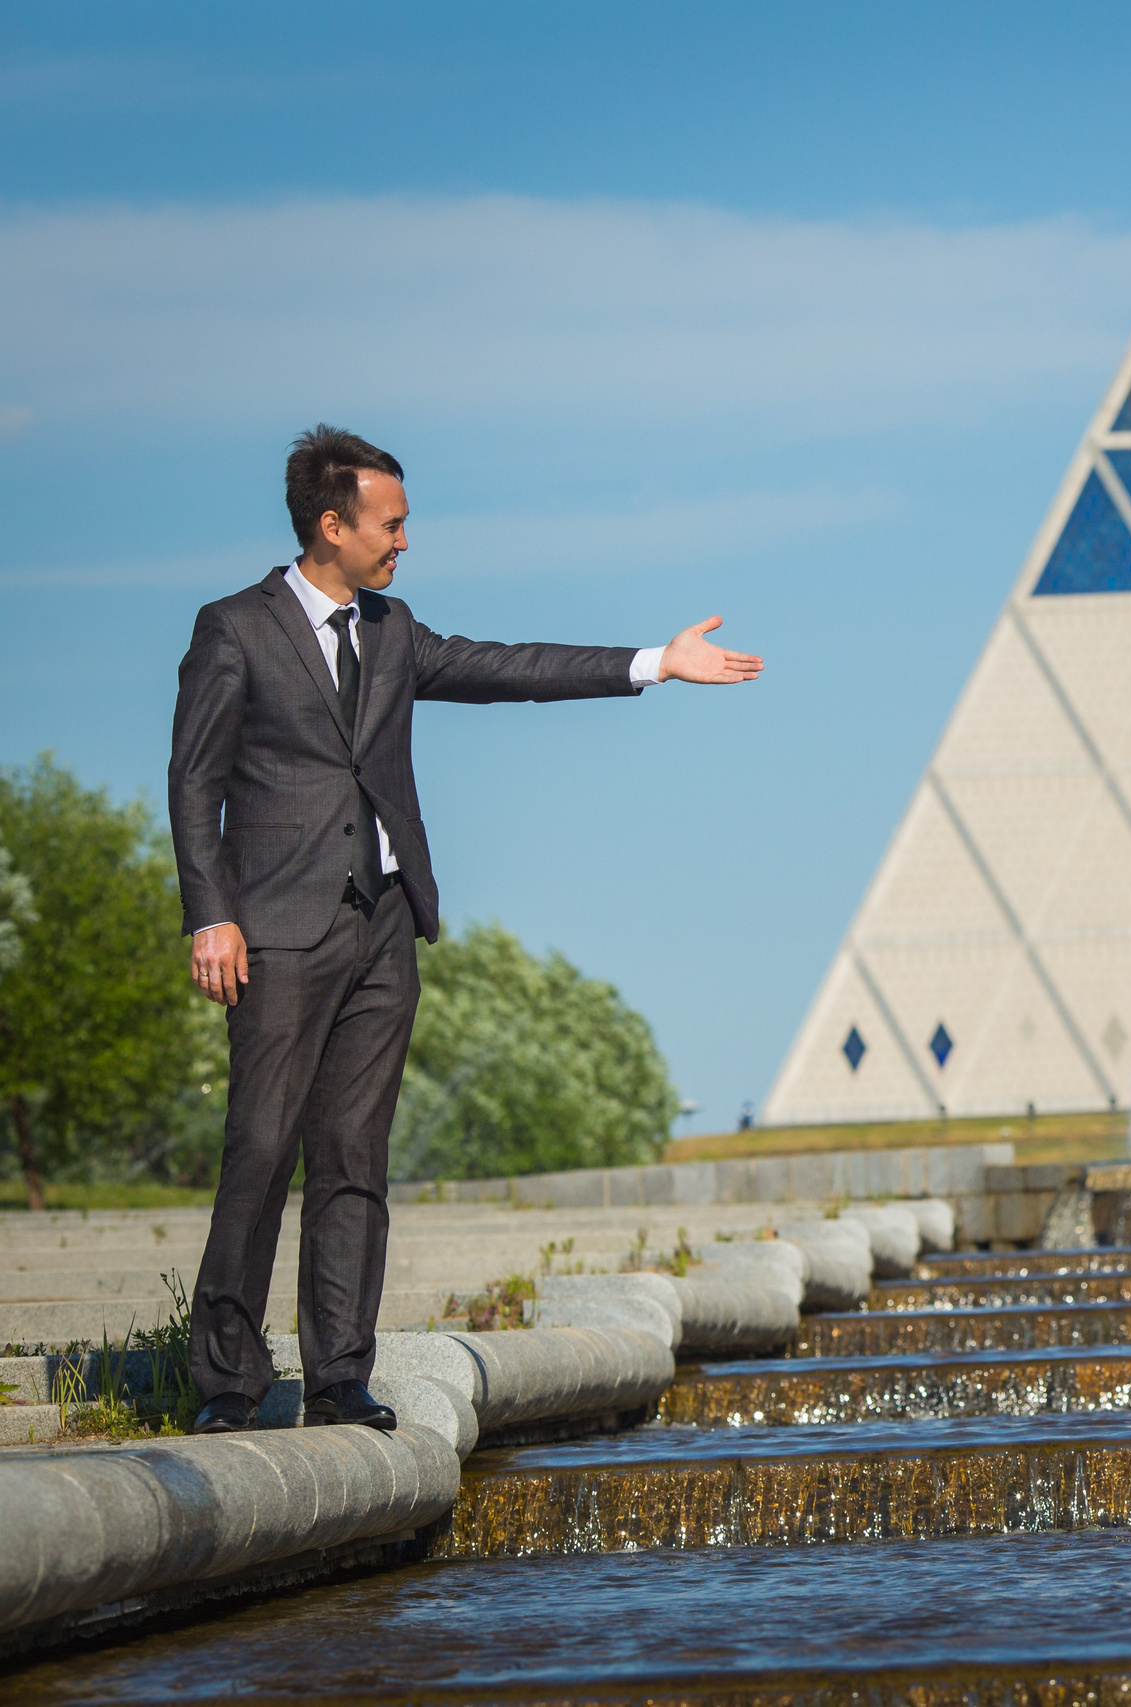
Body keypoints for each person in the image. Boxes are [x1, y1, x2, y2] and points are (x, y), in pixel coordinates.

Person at [170, 425, 763, 1433]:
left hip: (384, 925)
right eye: (390, 524)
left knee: (354, 1158)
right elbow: (195, 780)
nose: (404, 541)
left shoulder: (394, 630)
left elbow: (503, 666)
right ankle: (228, 1383)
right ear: (332, 524)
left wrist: (653, 663)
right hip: (277, 930)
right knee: (261, 1148)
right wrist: (212, 913)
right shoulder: (233, 629)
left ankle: (339, 1377)